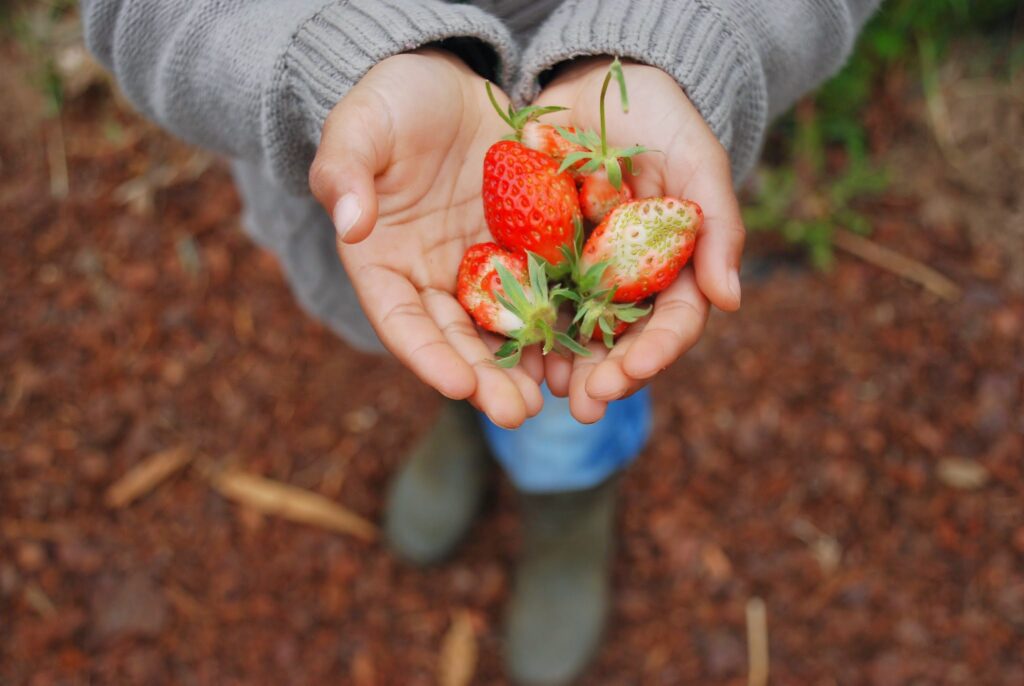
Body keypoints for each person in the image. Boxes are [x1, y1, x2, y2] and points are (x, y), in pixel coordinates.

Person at [82, 1, 880, 682]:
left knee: (576, 375)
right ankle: (468, 417)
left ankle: (569, 500)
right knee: (444, 328)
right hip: (399, 180)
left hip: (625, 127)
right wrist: (335, 57)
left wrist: (678, 38)